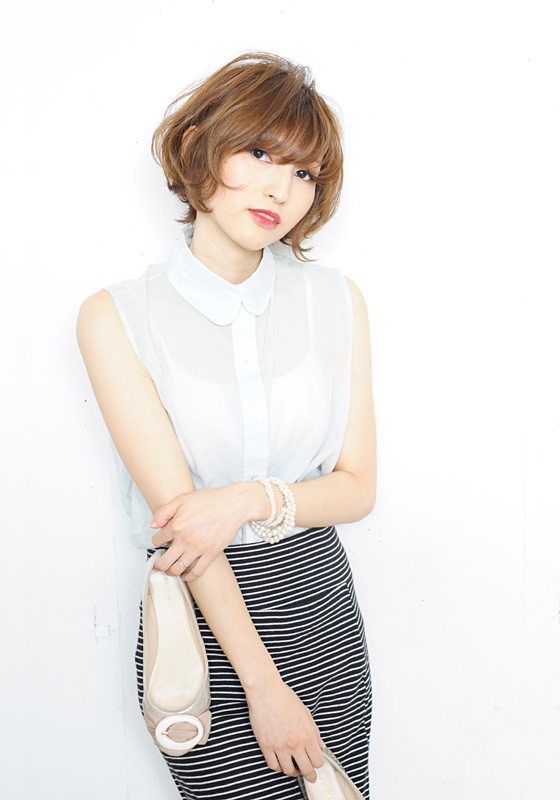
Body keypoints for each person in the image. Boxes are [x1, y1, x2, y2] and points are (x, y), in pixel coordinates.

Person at [77, 51, 376, 800]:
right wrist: (263, 687)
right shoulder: (117, 318)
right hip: (200, 623)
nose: (281, 188)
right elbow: (183, 525)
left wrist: (244, 498)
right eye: (260, 153)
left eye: (304, 172)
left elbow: (357, 489)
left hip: (319, 604)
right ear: (200, 146)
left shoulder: (335, 301)